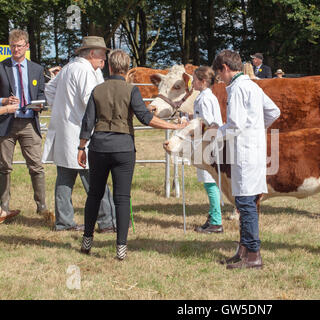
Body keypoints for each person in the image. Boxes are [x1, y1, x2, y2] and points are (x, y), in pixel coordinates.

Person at [78, 49, 188, 260]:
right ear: (127, 69)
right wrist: (173, 125)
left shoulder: (97, 90)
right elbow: (146, 118)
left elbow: (87, 122)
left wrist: (81, 147)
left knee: (94, 195)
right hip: (123, 148)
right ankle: (121, 248)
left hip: (99, 147)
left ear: (109, 66)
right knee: (122, 197)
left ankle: (87, 241)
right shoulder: (132, 91)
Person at [212, 50, 280, 269]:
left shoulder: (239, 88)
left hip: (245, 152)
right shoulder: (252, 85)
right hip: (253, 149)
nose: (219, 78)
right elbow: (273, 111)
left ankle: (253, 254)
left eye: (219, 73)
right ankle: (243, 250)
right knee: (245, 202)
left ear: (225, 67)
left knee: (246, 203)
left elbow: (235, 124)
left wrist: (216, 133)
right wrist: (258, 130)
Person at [43, 36, 116, 232]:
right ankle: (108, 222)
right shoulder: (84, 70)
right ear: (92, 53)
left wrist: (60, 109)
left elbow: (49, 89)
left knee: (65, 180)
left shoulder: (69, 67)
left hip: (65, 131)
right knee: (95, 179)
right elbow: (90, 100)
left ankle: (64, 222)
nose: (104, 59)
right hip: (82, 133)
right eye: (102, 54)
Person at [0, 29, 54, 225]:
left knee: (36, 167)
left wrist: (40, 105)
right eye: (13, 46)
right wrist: (4, 101)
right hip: (6, 123)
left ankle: (42, 207)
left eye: (19, 46)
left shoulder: (37, 69)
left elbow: (42, 95)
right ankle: (4, 208)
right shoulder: (1, 67)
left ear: (27, 46)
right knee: (4, 167)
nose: (16, 49)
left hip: (30, 122)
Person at [190, 66, 224, 234]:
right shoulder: (205, 97)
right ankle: (212, 217)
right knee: (210, 182)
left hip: (207, 143)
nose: (192, 82)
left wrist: (191, 129)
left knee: (210, 183)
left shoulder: (204, 99)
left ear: (202, 81)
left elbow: (209, 123)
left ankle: (216, 221)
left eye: (194, 79)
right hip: (208, 142)